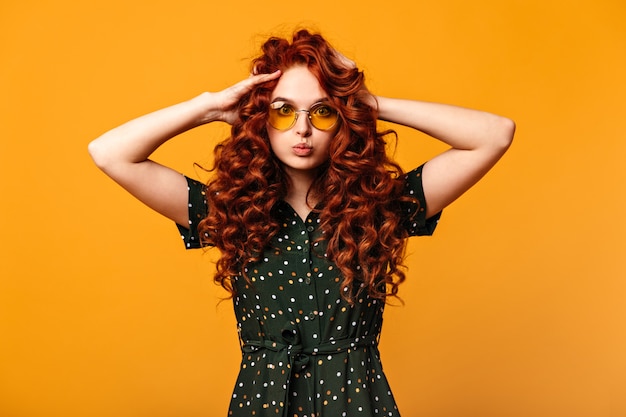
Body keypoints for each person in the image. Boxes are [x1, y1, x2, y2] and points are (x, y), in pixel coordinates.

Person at [88, 29, 514, 417]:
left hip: (357, 405)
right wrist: (210, 107)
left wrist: (368, 103)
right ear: (260, 118)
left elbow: (494, 134)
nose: (303, 129)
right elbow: (110, 153)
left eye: (322, 112)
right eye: (283, 111)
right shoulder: (231, 210)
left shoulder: (378, 208)